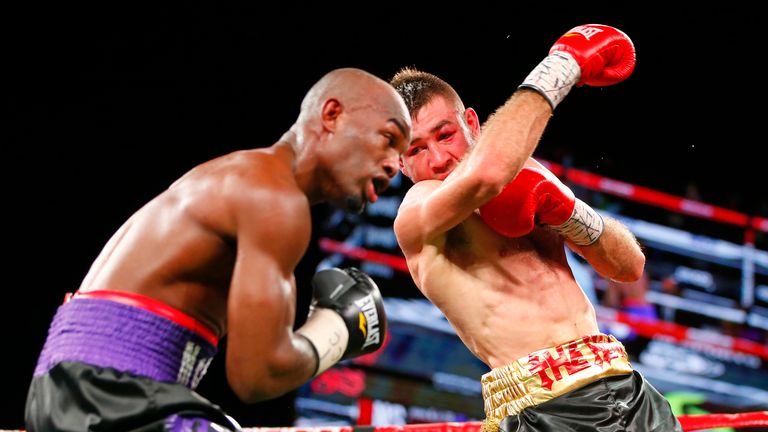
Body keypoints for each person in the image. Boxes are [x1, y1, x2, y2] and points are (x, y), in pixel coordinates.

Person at [25, 67, 411, 432]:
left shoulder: (242, 179)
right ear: (332, 115)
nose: (395, 165)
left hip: (77, 388)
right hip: (109, 392)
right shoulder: (272, 196)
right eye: (388, 139)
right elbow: (258, 375)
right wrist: (339, 329)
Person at [390, 25, 683, 431]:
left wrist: (568, 213)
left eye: (446, 134)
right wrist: (562, 65)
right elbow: (486, 176)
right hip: (545, 406)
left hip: (625, 383)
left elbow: (628, 266)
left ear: (472, 123)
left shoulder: (524, 174)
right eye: (416, 149)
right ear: (400, 163)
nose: (438, 158)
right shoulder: (417, 213)